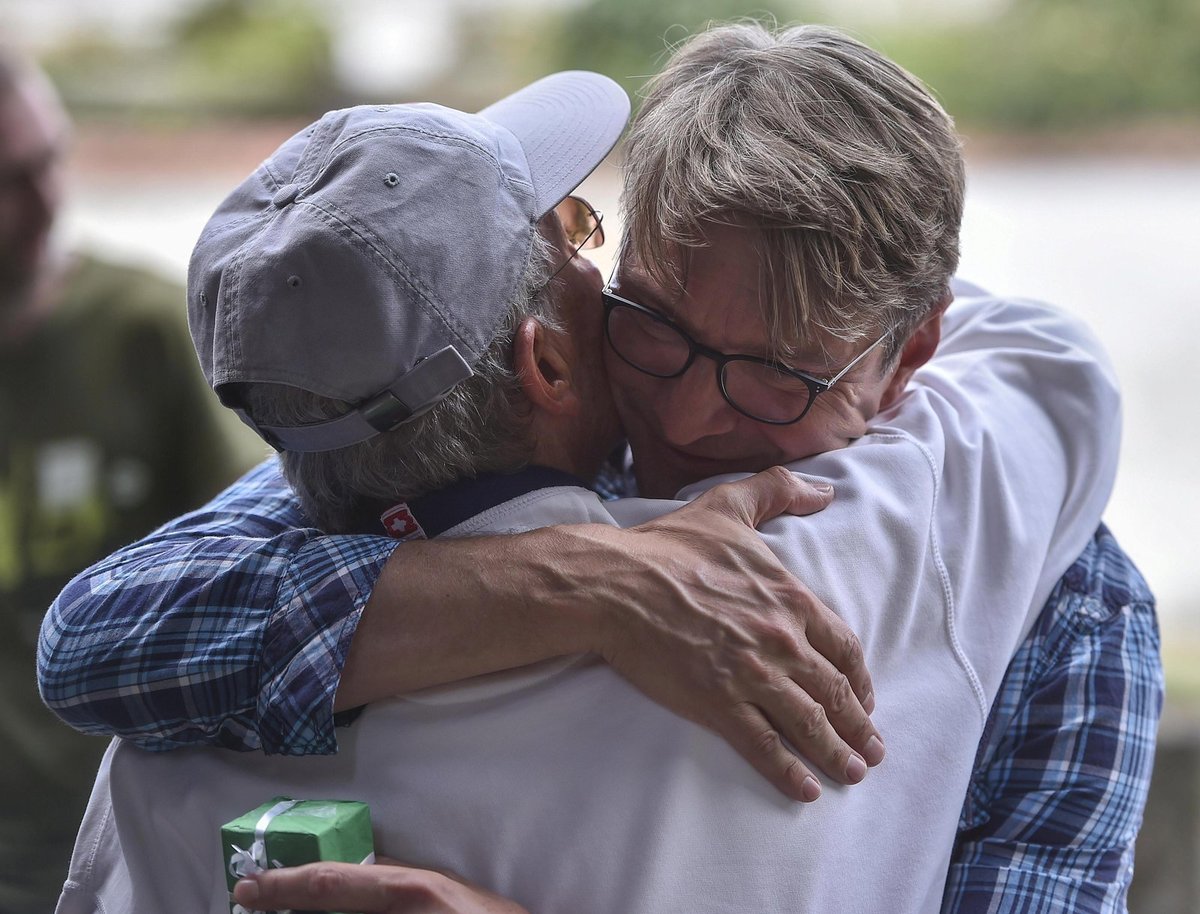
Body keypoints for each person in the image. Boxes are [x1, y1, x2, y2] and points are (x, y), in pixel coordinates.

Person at [55, 25, 1157, 914]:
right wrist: (592, 581)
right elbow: (99, 628)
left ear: (913, 349)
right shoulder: (379, 489)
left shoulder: (1061, 603)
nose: (683, 411)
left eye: (773, 375)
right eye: (653, 324)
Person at [0, 47, 257, 910]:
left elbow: (260, 555)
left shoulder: (140, 329)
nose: (43, 201)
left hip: (113, 853)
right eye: (6, 181)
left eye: (49, 161)